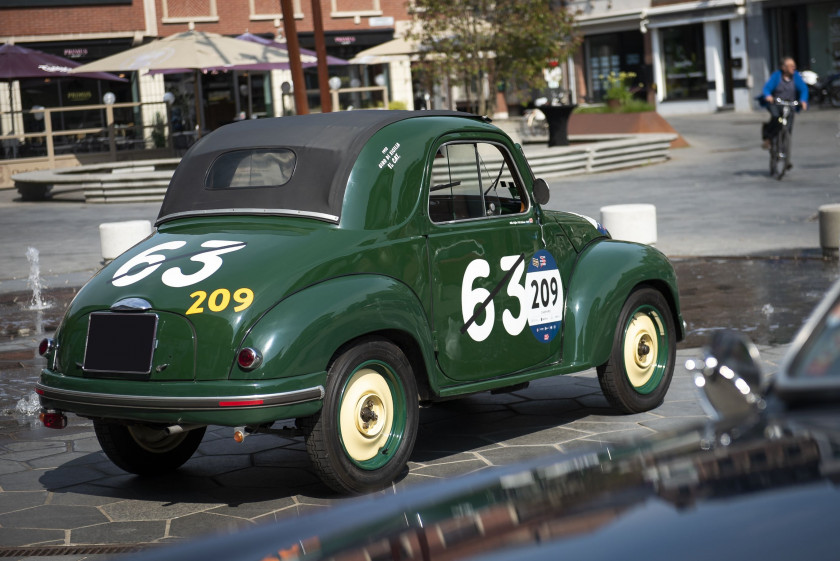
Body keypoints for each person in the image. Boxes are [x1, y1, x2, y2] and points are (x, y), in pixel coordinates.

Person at [760, 57, 808, 150]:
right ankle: (768, 137)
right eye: (790, 66)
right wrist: (768, 95)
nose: (793, 68)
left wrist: (803, 100)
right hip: (776, 103)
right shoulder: (776, 76)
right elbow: (767, 88)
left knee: (788, 126)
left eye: (794, 66)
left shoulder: (796, 76)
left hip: (789, 104)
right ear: (784, 68)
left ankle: (786, 152)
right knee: (776, 118)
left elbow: (803, 89)